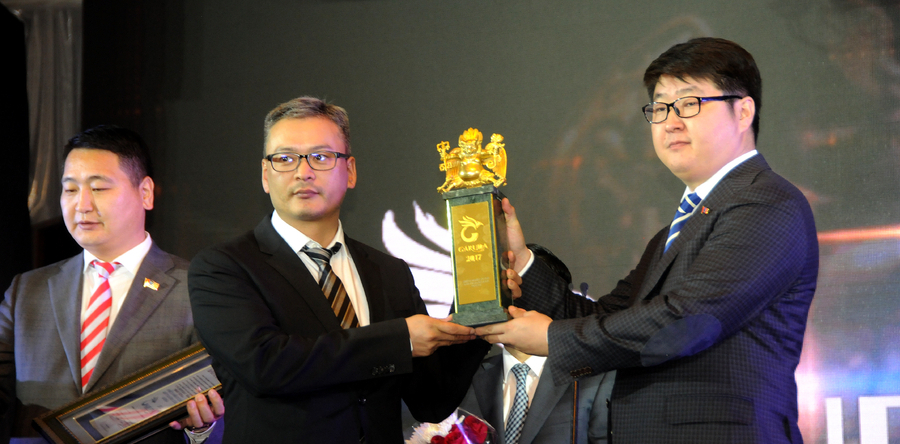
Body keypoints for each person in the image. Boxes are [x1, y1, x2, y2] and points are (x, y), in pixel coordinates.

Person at [477, 38, 818, 443]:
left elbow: (687, 321)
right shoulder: (676, 230)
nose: (670, 121)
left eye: (689, 103)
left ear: (743, 111)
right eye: (659, 107)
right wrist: (522, 261)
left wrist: (553, 339)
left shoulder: (765, 202)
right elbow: (604, 315)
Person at [188, 96, 491, 443]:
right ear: (265, 175)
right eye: (285, 159)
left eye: (321, 157)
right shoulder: (223, 267)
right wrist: (400, 340)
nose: (303, 172)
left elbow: (431, 401)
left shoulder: (389, 272)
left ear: (350, 171)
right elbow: (266, 366)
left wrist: (481, 305)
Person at [0, 125, 224, 444]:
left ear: (145, 193)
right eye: (70, 189)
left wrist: (202, 428)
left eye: (99, 188)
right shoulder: (27, 290)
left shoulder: (196, 289)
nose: (82, 205)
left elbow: (223, 403)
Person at [460, 245, 613, 444]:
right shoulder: (467, 377)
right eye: (504, 288)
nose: (513, 297)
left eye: (523, 286)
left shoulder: (595, 377)